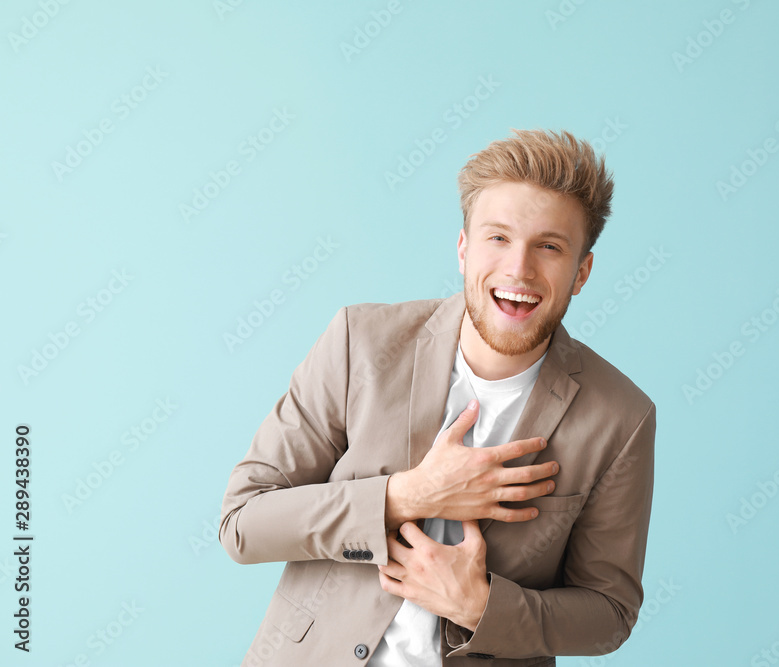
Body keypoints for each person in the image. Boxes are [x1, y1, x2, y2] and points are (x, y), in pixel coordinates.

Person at [219, 128, 656, 666]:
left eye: (549, 247)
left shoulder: (622, 418)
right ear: (464, 249)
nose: (519, 269)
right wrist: (408, 496)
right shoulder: (360, 342)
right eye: (498, 238)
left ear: (581, 272)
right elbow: (243, 522)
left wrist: (483, 607)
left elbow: (610, 612)